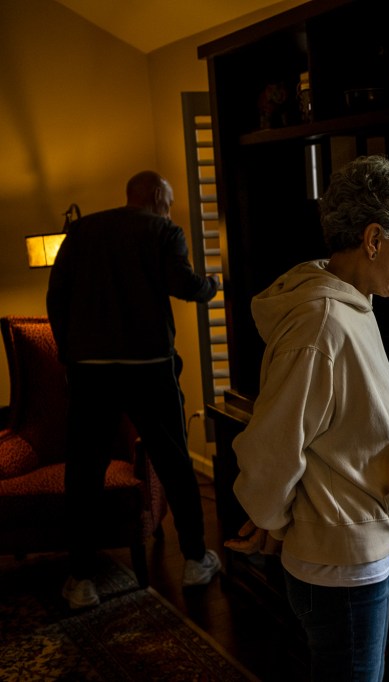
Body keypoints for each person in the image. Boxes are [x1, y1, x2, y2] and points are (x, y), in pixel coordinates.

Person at [225, 155, 389, 682]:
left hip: (355, 553)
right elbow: (274, 447)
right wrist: (271, 520)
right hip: (341, 569)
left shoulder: (350, 306)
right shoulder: (321, 326)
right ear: (372, 239)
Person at [46, 170, 222, 609]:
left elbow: (56, 296)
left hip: (90, 370)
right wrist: (213, 286)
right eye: (170, 201)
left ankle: (82, 579)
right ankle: (197, 559)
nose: (171, 209)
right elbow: (182, 284)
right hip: (149, 367)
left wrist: (69, 353)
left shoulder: (82, 229)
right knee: (176, 462)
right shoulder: (163, 230)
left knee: (84, 471)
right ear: (158, 198)